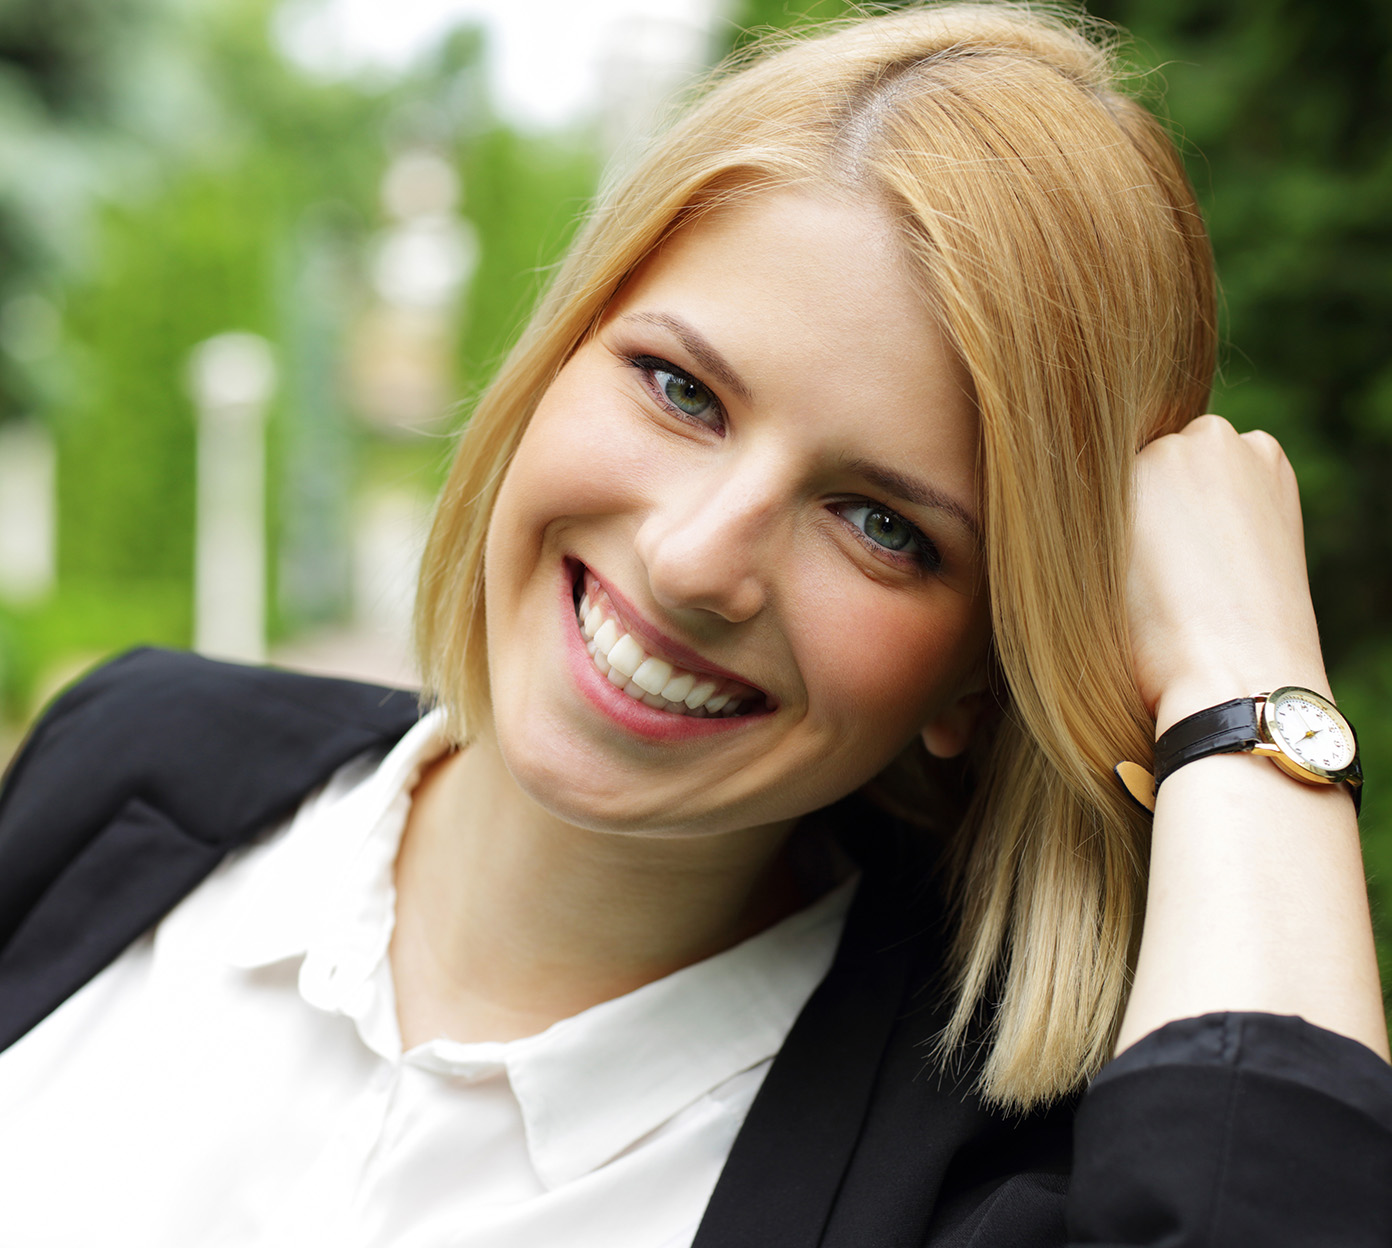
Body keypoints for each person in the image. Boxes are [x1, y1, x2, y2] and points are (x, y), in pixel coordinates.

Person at [0, 3, 1388, 1245]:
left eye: (881, 523)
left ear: (982, 673)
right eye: (681, 390)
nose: (692, 559)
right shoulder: (135, 760)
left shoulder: (981, 1188)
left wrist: (1249, 691)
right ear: (557, 354)